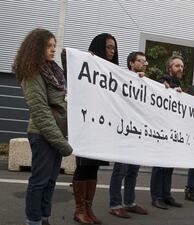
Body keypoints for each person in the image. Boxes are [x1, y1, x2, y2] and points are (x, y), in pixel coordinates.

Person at [13, 28, 73, 225]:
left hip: (55, 134)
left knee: (50, 181)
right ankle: (33, 220)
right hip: (42, 135)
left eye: (54, 46)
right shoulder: (32, 73)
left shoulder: (54, 70)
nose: (52, 49)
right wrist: (62, 144)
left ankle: (44, 218)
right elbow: (40, 113)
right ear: (36, 47)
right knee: (39, 182)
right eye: (48, 46)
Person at [72, 33, 119, 224]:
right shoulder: (87, 63)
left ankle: (88, 208)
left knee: (94, 169)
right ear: (99, 46)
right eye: (108, 47)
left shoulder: (113, 70)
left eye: (114, 48)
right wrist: (84, 58)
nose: (112, 51)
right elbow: (68, 61)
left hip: (102, 126)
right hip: (86, 124)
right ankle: (79, 209)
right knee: (83, 167)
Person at [108, 51, 148, 218]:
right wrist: (131, 77)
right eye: (140, 61)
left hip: (138, 131)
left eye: (145, 62)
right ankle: (115, 204)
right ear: (131, 63)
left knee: (133, 170)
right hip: (124, 130)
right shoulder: (123, 76)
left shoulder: (144, 81)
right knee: (120, 170)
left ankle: (129, 202)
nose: (144, 64)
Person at [150, 55, 184, 209]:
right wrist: (167, 90)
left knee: (169, 165)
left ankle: (166, 194)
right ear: (169, 68)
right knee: (159, 165)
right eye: (177, 66)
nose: (180, 69)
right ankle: (156, 196)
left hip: (173, 129)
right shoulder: (161, 80)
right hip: (161, 129)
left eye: (182, 66)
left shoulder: (178, 83)